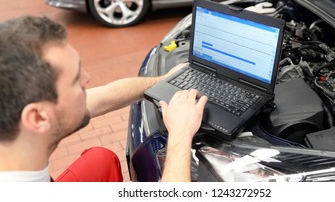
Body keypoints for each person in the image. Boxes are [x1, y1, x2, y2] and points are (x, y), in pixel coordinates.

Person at [0, 16, 207, 182]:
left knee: (100, 160)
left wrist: (165, 80)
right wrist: (180, 133)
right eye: (75, 80)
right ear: (38, 118)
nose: (87, 78)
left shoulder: (20, 124)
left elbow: (105, 96)